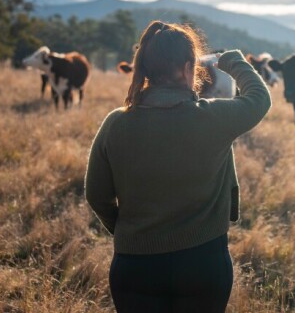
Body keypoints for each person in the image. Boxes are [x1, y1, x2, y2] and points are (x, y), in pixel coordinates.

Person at [85, 21, 271, 312]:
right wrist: (233, 59)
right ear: (188, 68)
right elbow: (259, 99)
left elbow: (96, 195)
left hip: (134, 267)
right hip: (204, 263)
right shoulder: (213, 118)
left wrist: (130, 232)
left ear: (146, 69)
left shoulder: (115, 124)